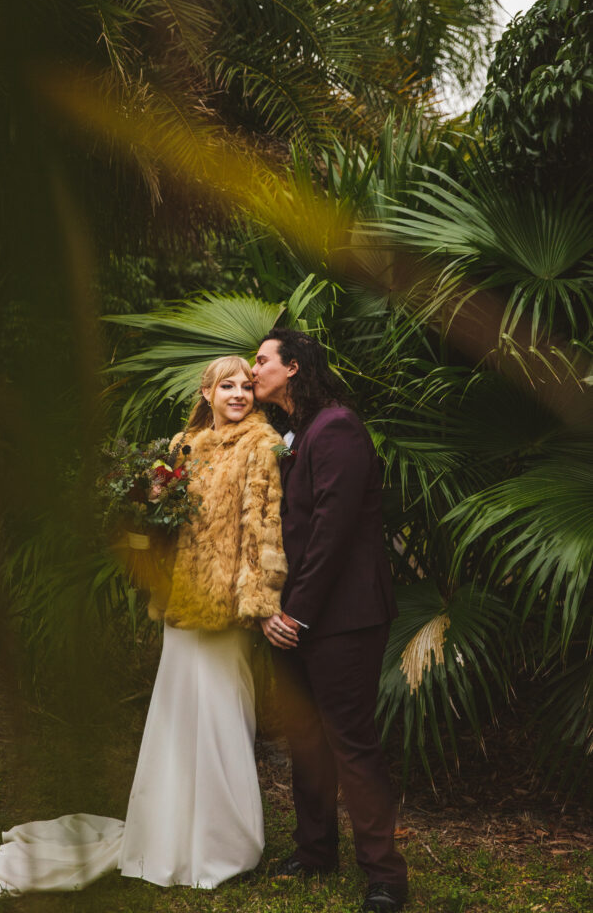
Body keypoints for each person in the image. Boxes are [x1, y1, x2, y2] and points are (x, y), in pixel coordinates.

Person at [0, 356, 287, 895]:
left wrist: (258, 600)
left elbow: (263, 525)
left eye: (247, 385)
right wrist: (147, 506)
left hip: (225, 608)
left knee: (224, 714)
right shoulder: (182, 446)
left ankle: (223, 841)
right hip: (180, 603)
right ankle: (167, 833)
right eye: (226, 385)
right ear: (206, 393)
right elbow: (153, 528)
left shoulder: (261, 443)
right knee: (178, 714)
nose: (238, 393)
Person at [252, 329, 408, 913]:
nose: (254, 368)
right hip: (291, 617)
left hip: (342, 618)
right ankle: (316, 852)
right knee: (306, 740)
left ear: (292, 367)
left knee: (351, 744)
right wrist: (272, 609)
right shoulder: (289, 432)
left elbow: (332, 533)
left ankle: (386, 879)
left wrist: (296, 613)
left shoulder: (337, 426)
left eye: (263, 360)